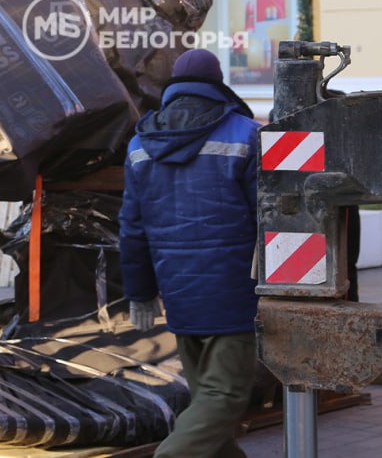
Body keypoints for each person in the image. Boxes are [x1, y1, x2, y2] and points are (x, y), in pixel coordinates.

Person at [119, 48, 260, 458]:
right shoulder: (246, 134)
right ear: (218, 83)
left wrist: (141, 292)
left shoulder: (140, 143)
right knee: (224, 397)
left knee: (207, 403)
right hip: (233, 290)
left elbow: (132, 228)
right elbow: (268, 217)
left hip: (177, 290)